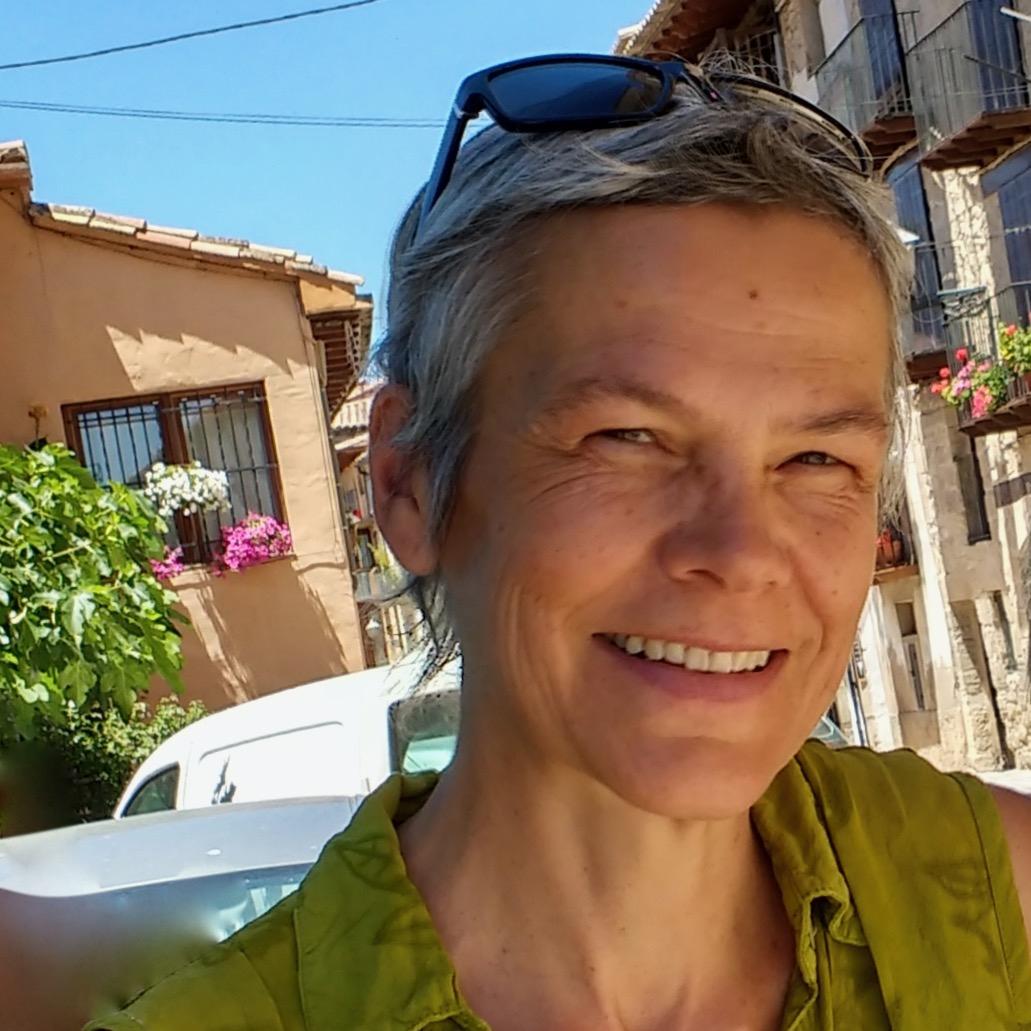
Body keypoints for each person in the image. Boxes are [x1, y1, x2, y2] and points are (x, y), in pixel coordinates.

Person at [86, 54, 1031, 1031]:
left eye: (815, 457)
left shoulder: (996, 897)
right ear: (408, 482)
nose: (741, 550)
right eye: (627, 438)